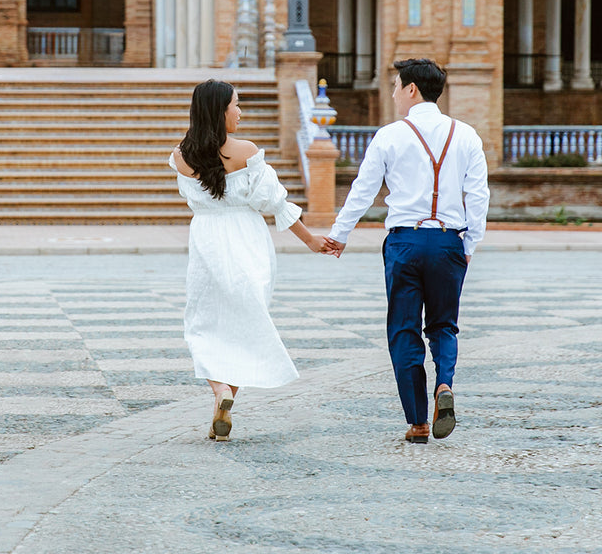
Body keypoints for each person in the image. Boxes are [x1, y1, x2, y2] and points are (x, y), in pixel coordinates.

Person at [322, 58, 490, 444]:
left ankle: (418, 422)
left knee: (404, 329)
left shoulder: (390, 136)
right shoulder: (466, 135)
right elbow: (478, 195)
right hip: (448, 240)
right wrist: (469, 244)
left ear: (412, 89)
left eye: (397, 86)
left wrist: (339, 234)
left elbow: (364, 189)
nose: (394, 93)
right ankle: (444, 383)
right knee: (444, 325)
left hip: (404, 242)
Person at [169, 79, 328, 442]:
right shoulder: (246, 151)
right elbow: (275, 203)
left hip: (207, 240)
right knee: (244, 323)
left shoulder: (180, 156)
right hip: (248, 239)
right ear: (219, 111)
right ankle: (225, 400)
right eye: (235, 105)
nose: (240, 112)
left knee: (202, 324)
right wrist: (311, 241)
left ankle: (220, 392)